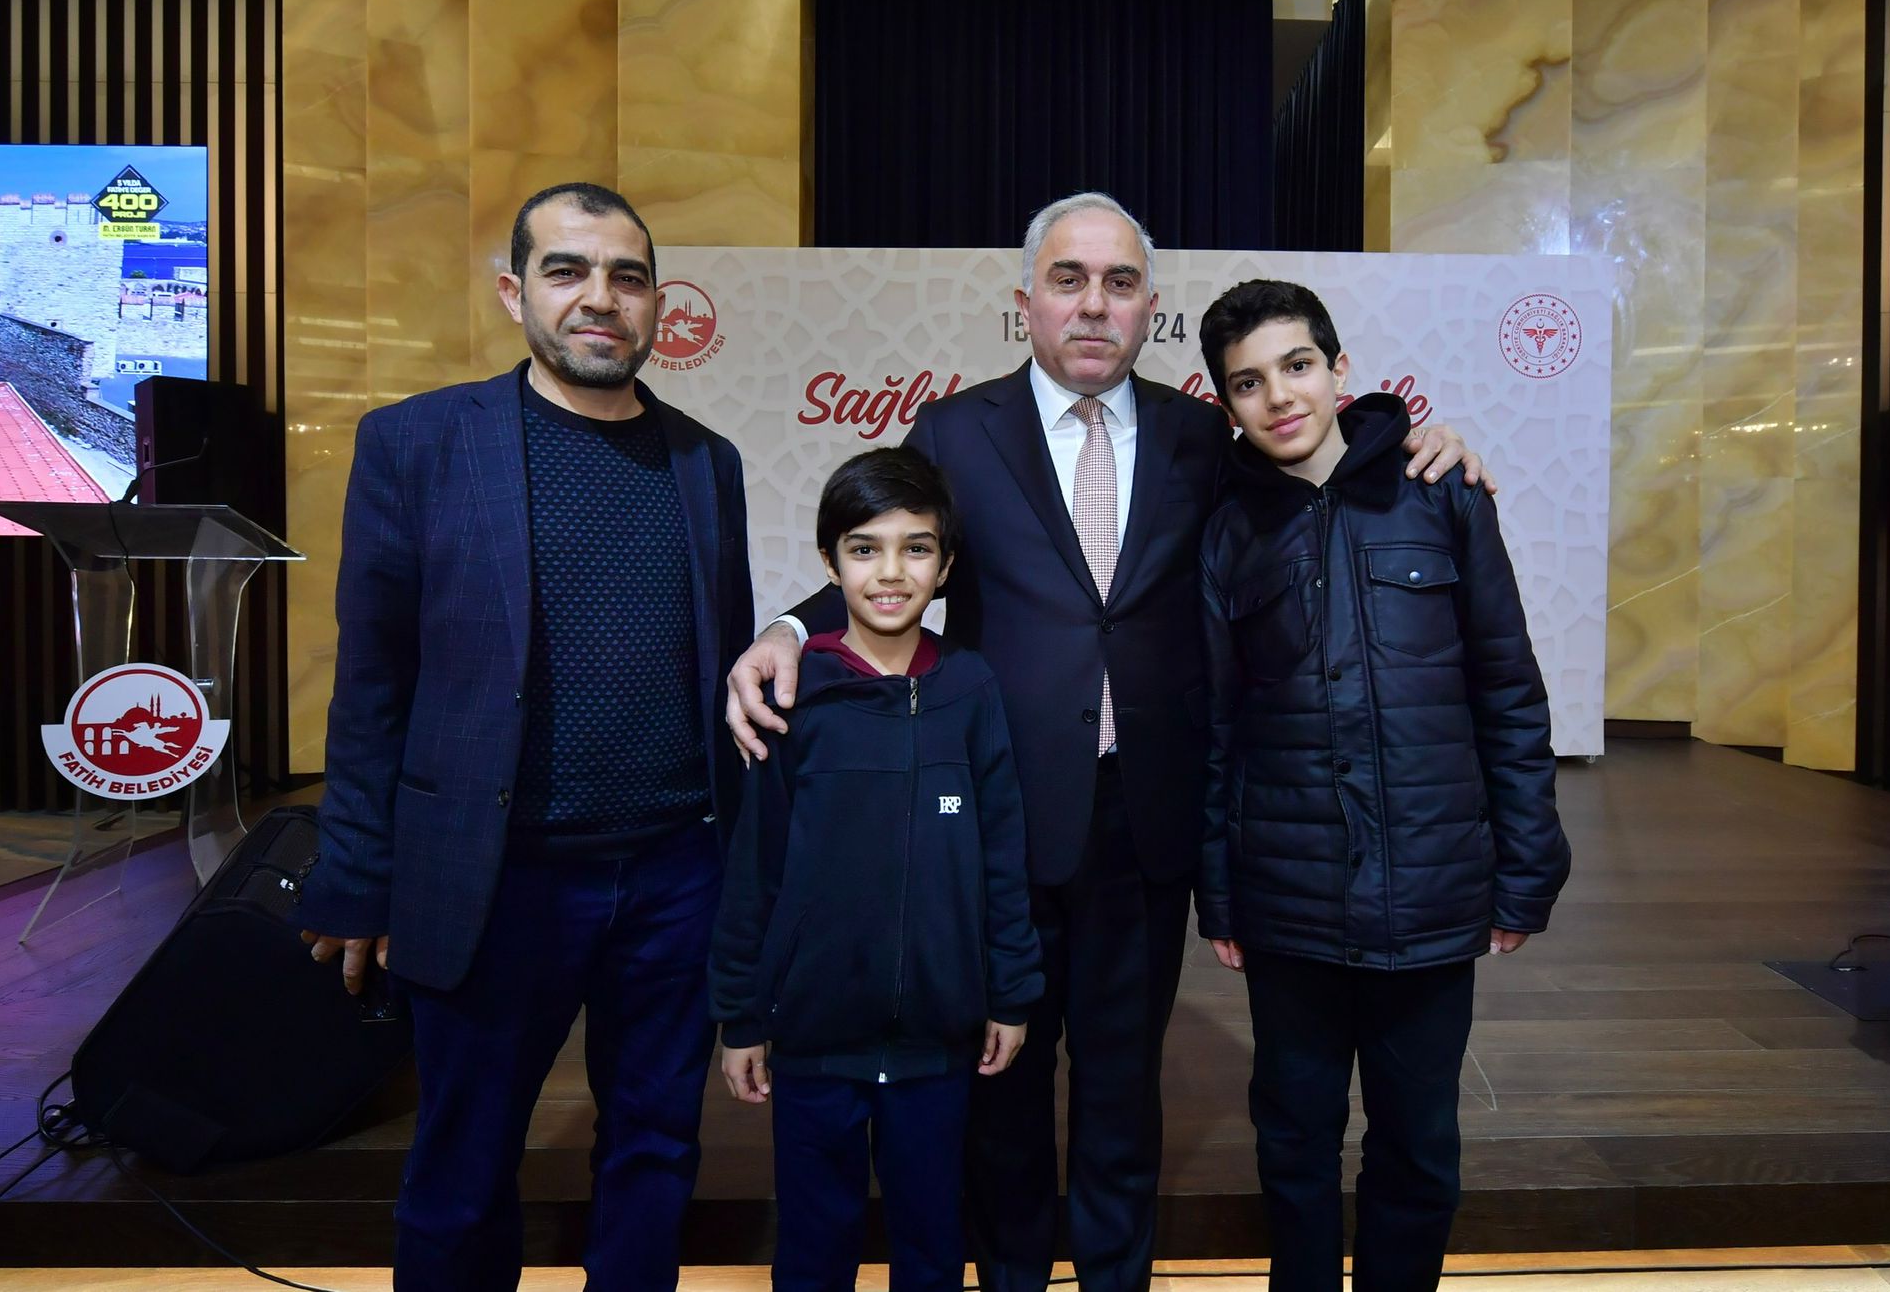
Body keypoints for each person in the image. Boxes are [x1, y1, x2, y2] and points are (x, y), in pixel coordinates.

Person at [725, 192, 1488, 1292]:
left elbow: (1312, 467)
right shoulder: (956, 431)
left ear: (1149, 309)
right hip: (999, 817)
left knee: (1123, 1085)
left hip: (1146, 815)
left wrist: (1412, 436)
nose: (1094, 304)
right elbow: (886, 551)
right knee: (1000, 1083)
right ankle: (1013, 1275)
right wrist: (792, 629)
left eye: (1119, 283)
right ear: (1025, 300)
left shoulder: (1200, 434)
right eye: (1069, 280)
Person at [298, 182, 754, 1292]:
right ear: (514, 293)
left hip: (677, 875)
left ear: (655, 302)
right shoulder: (416, 443)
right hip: (494, 877)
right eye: (567, 270)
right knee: (463, 1165)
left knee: (656, 1148)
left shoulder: (708, 461)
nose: (600, 298)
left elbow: (722, 667)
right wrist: (357, 879)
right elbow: (372, 683)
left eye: (627, 276)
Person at [1192, 279, 1571, 1292]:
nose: (1279, 396)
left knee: (1417, 1147)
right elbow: (1218, 729)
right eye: (1248, 383)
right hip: (1288, 903)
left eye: (1296, 366)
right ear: (1226, 404)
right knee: (1293, 1143)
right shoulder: (1226, 533)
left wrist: (1527, 868)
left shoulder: (1440, 491)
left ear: (1339, 369)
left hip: (1430, 896)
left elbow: (1509, 691)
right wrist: (1219, 893)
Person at [709, 446, 1045, 1292]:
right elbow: (755, 869)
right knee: (814, 1247)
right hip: (815, 1040)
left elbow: (1002, 856)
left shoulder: (971, 687)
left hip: (938, 1040)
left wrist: (1010, 993)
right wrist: (741, 1016)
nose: (890, 573)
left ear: (946, 565)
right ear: (830, 564)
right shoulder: (796, 695)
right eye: (865, 549)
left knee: (930, 1244)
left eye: (915, 548)